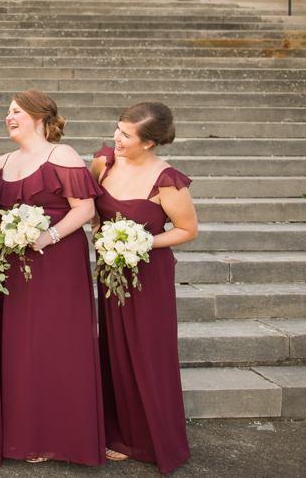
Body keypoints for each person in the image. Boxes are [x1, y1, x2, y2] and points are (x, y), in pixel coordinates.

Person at [0, 90, 105, 465]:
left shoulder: (62, 155)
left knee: (57, 343)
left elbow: (85, 208)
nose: (10, 117)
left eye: (17, 112)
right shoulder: (2, 160)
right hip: (16, 266)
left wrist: (48, 235)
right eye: (7, 112)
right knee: (21, 347)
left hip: (57, 263)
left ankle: (63, 434)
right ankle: (27, 433)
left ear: (40, 117)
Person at [89, 101, 198, 475]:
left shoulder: (168, 181)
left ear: (149, 143)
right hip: (109, 272)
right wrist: (98, 234)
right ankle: (117, 431)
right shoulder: (103, 162)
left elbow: (187, 230)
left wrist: (141, 241)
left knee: (147, 351)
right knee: (114, 347)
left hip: (147, 277)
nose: (116, 139)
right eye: (117, 129)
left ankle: (148, 439)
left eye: (126, 135)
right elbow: (91, 209)